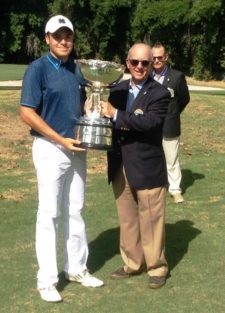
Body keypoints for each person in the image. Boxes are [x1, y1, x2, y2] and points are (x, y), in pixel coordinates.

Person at [20, 15, 103, 303]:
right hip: (50, 148)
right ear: (47, 39)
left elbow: (84, 105)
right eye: (57, 36)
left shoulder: (77, 70)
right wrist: (59, 139)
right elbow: (27, 113)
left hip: (76, 149)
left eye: (67, 35)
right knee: (49, 214)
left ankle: (76, 268)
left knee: (75, 210)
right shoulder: (38, 69)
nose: (63, 40)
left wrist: (94, 109)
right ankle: (47, 280)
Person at [101, 43, 170, 289]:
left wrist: (116, 115)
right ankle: (132, 262)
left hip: (147, 167)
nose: (139, 67)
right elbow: (105, 119)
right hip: (119, 165)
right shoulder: (116, 89)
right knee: (127, 219)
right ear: (127, 63)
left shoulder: (160, 93)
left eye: (145, 63)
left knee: (151, 219)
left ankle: (156, 267)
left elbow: (150, 123)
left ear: (152, 64)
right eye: (134, 62)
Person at [151, 42, 190, 203]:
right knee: (152, 157)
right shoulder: (146, 75)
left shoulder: (177, 76)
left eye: (160, 57)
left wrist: (173, 113)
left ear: (166, 57)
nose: (157, 61)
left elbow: (184, 99)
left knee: (171, 159)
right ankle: (154, 186)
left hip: (170, 124)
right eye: (154, 58)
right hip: (150, 125)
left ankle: (175, 189)